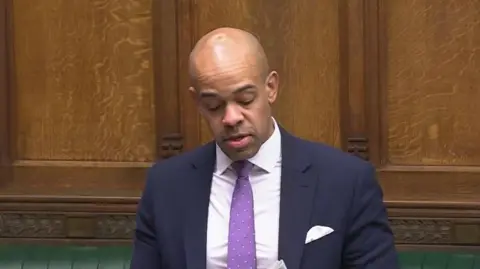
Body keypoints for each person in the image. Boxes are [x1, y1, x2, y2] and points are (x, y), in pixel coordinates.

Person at [130, 27, 399, 269]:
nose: (231, 118)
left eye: (245, 100)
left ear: (270, 87)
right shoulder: (166, 186)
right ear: (197, 102)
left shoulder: (345, 181)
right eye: (214, 105)